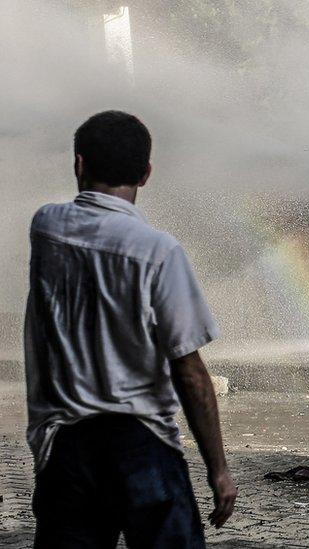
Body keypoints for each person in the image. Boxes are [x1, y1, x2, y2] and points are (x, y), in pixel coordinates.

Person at [24, 110, 237, 547]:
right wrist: (218, 470)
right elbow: (190, 371)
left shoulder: (45, 227)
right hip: (141, 444)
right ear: (146, 174)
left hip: (66, 449)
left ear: (79, 163)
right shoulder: (159, 252)